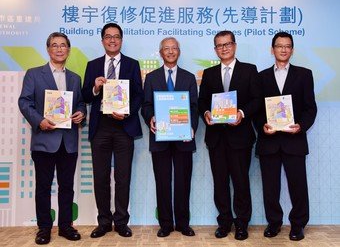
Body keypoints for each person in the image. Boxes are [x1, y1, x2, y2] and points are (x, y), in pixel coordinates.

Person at [18, 32, 86, 245]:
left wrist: (81, 114)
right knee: (43, 186)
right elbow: (24, 102)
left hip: (68, 141)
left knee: (67, 186)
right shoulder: (34, 74)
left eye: (63, 45)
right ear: (48, 49)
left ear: (68, 50)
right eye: (54, 45)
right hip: (44, 140)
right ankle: (44, 228)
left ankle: (66, 226)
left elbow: (81, 104)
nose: (59, 49)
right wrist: (39, 121)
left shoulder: (75, 78)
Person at [82, 23, 143, 238]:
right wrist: (95, 88)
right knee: (100, 177)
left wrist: (127, 113)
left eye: (116, 37)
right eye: (108, 37)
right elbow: (85, 96)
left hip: (124, 128)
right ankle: (104, 222)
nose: (112, 40)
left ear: (121, 40)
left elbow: (138, 95)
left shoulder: (132, 64)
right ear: (102, 41)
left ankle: (121, 222)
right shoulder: (93, 65)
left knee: (123, 177)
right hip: (100, 128)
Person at [198, 30, 261, 240]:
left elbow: (257, 100)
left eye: (227, 44)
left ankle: (242, 223)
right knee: (220, 183)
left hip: (240, 137)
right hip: (216, 138)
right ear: (215, 49)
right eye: (219, 45)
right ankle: (224, 222)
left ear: (234, 46)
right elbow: (202, 102)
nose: (224, 48)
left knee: (241, 182)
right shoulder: (209, 73)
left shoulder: (249, 70)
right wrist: (206, 113)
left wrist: (241, 113)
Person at [255, 32, 317, 241]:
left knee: (298, 186)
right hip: (268, 140)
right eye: (279, 46)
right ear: (272, 50)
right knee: (270, 186)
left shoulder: (304, 74)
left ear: (292, 50)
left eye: (287, 46)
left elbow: (311, 108)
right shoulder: (261, 76)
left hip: (294, 140)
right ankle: (274, 223)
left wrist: (301, 126)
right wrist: (261, 126)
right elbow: (256, 110)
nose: (283, 49)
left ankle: (298, 225)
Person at [142, 37, 198, 237]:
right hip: (160, 138)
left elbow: (193, 107)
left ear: (179, 52)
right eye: (167, 48)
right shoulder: (151, 77)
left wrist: (191, 128)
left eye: (174, 48)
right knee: (162, 182)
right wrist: (151, 118)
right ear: (160, 52)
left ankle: (183, 223)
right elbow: (146, 106)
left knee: (183, 182)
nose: (171, 51)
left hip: (183, 139)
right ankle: (165, 224)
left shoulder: (189, 77)